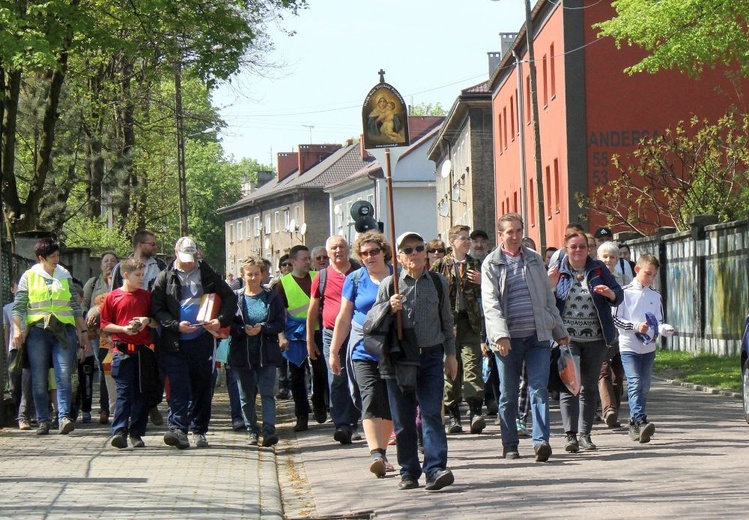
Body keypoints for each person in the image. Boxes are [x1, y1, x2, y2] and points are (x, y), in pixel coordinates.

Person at [481, 213, 569, 462]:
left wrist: (559, 332)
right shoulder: (491, 263)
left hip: (537, 337)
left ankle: (541, 442)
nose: (515, 235)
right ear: (501, 235)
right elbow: (490, 305)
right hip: (507, 340)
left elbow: (547, 298)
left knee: (538, 389)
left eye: (518, 230)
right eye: (510, 232)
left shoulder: (533, 260)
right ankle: (510, 444)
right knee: (508, 395)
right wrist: (500, 335)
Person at [377, 231, 457, 491]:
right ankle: (408, 471)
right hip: (400, 359)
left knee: (433, 414)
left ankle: (435, 469)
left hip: (431, 355)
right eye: (408, 250)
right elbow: (374, 323)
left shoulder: (437, 282)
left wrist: (451, 354)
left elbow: (447, 320)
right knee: (403, 418)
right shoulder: (390, 285)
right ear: (399, 257)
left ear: (425, 253)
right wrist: (389, 307)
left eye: (418, 248)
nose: (414, 254)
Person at [151, 236, 237, 449]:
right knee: (178, 386)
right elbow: (157, 308)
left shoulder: (208, 274)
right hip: (174, 341)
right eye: (184, 257)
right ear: (175, 253)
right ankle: (178, 430)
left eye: (191, 257)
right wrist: (175, 325)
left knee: (201, 386)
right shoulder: (164, 277)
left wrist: (220, 321)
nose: (188, 262)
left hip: (202, 340)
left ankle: (199, 430)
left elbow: (229, 299)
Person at [548, 231, 623, 452]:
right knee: (569, 385)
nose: (579, 250)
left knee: (589, 387)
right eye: (574, 247)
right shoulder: (558, 271)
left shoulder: (598, 269)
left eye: (582, 246)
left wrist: (610, 294)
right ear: (566, 248)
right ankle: (570, 435)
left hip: (596, 338)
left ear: (588, 249)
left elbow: (619, 294)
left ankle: (585, 434)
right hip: (567, 338)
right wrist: (550, 285)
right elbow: (544, 299)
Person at [330, 231, 394, 476]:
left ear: (384, 251)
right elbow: (344, 318)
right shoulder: (355, 279)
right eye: (364, 253)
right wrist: (334, 351)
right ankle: (375, 453)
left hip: (392, 350)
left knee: (388, 402)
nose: (369, 257)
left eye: (374, 252)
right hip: (362, 349)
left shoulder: (397, 277)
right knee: (369, 397)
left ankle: (384, 453)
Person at [11, 237, 91, 435]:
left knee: (64, 374)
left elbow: (74, 306)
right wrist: (18, 329)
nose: (57, 259)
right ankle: (43, 420)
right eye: (52, 256)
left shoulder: (65, 275)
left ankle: (64, 417)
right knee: (38, 378)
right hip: (38, 331)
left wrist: (83, 332)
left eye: (58, 255)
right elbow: (19, 307)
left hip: (63, 332)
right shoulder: (29, 276)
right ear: (41, 258)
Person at [430, 225, 486, 435]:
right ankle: (454, 414)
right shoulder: (440, 266)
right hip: (448, 324)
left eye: (468, 238)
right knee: (451, 370)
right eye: (462, 238)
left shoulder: (476, 264)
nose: (467, 242)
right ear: (452, 242)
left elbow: (490, 291)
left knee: (472, 366)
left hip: (470, 322)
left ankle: (475, 412)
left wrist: (482, 281)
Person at [614, 254, 675, 443]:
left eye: (654, 275)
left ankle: (636, 420)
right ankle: (639, 420)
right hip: (629, 345)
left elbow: (658, 321)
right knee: (635, 382)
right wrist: (634, 326)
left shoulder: (655, 296)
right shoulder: (623, 292)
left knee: (645, 385)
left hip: (648, 347)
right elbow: (616, 319)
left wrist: (665, 329)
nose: (650, 279)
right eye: (648, 274)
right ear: (637, 270)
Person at [100, 258, 159, 449]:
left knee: (142, 393)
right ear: (126, 275)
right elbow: (104, 324)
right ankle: (119, 431)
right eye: (138, 275)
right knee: (124, 392)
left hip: (143, 353)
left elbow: (156, 321)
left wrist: (146, 320)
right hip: (122, 351)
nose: (142, 279)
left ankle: (136, 433)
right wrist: (123, 329)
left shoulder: (146, 296)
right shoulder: (113, 297)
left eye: (143, 275)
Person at [111, 230, 168, 426]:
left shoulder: (160, 266)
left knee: (155, 368)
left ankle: (152, 403)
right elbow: (114, 295)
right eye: (151, 244)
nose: (155, 247)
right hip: (128, 326)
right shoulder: (121, 267)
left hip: (152, 321)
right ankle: (128, 420)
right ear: (140, 245)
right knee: (128, 377)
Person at [308, 235, 360, 445]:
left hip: (357, 332)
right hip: (330, 334)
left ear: (348, 249)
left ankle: (354, 422)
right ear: (327, 253)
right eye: (334, 248)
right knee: (337, 379)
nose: (338, 251)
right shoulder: (321, 277)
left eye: (341, 247)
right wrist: (310, 341)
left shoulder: (359, 272)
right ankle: (342, 425)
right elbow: (312, 312)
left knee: (357, 377)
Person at [229, 257, 286, 447]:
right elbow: (228, 323)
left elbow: (280, 322)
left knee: (267, 393)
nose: (253, 278)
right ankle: (252, 430)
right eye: (249, 274)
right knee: (245, 395)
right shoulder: (236, 297)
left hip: (266, 353)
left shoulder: (271, 296)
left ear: (262, 274)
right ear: (243, 275)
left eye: (256, 274)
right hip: (241, 353)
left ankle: (269, 430)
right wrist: (241, 330)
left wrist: (262, 327)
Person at [276, 245, 326, 431]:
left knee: (321, 372)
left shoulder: (318, 278)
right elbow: (279, 314)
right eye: (304, 259)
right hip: (295, 335)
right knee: (296, 377)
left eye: (309, 259)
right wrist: (281, 337)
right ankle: (302, 415)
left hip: (317, 332)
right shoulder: (283, 284)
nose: (308, 262)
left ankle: (319, 402)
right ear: (293, 261)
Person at [82, 251, 119, 424]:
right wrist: (88, 320)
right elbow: (84, 306)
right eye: (106, 261)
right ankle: (104, 408)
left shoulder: (121, 282)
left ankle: (119, 405)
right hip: (98, 334)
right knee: (103, 368)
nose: (109, 264)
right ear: (101, 264)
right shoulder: (93, 283)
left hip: (117, 332)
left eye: (113, 261)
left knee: (117, 368)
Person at [597, 241, 630, 428]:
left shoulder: (624, 279)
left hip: (620, 332)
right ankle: (608, 410)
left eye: (612, 257)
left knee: (618, 374)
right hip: (600, 332)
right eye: (605, 257)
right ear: (599, 258)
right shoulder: (593, 277)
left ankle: (613, 410)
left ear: (617, 259)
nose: (608, 260)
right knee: (603, 372)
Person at [4, 278, 33, 430]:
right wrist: (7, 349)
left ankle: (25, 417)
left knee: (28, 382)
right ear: (12, 289)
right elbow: (7, 330)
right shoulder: (7, 308)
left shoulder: (32, 307)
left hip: (29, 347)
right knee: (14, 384)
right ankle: (18, 413)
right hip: (14, 349)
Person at [273, 254, 293, 399]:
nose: (287, 267)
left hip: (296, 325)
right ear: (280, 268)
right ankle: (283, 387)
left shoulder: (299, 282)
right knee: (281, 359)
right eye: (284, 265)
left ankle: (295, 387)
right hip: (280, 325)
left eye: (289, 264)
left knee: (296, 358)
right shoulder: (274, 285)